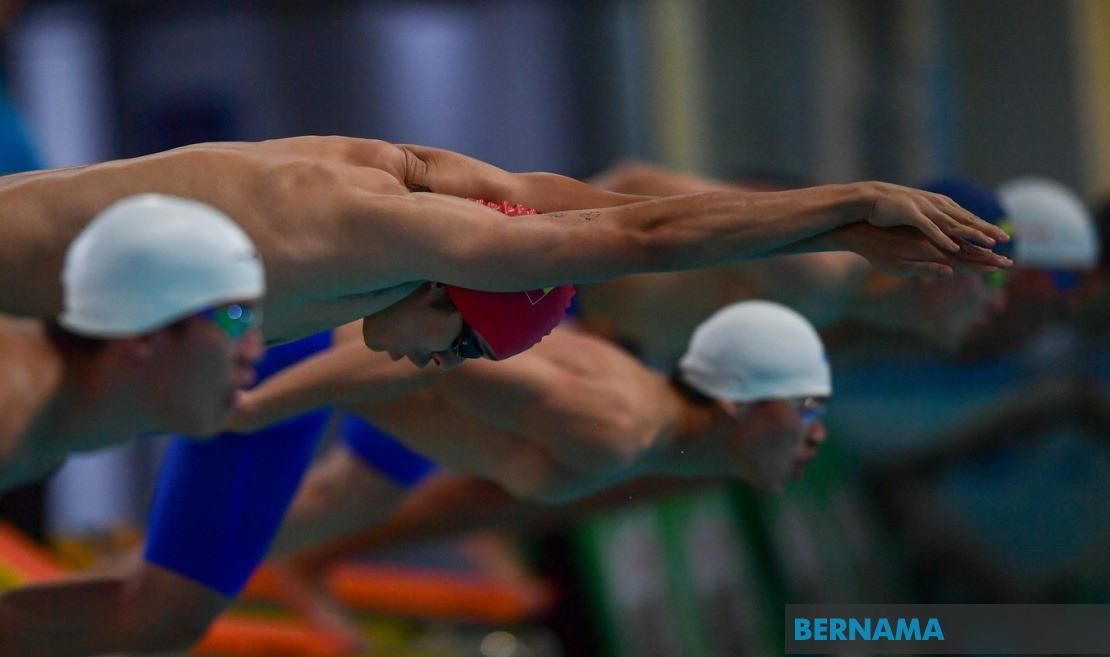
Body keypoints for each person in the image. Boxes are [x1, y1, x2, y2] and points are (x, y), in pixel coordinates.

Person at [0, 300, 831, 657]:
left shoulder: (638, 428)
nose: (817, 432)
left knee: (200, 583)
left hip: (285, 350)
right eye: (805, 406)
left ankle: (96, 629)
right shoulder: (612, 425)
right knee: (167, 614)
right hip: (286, 355)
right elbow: (405, 354)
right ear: (740, 405)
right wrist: (253, 403)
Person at [0, 136, 1011, 350]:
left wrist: (852, 221)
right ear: (458, 291)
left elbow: (589, 215)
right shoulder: (383, 230)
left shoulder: (425, 189)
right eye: (461, 348)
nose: (424, 362)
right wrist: (855, 201)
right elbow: (644, 228)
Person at [579, 165, 1011, 360]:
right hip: (554, 274)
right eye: (991, 281)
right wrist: (545, 240)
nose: (997, 306)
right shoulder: (821, 272)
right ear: (939, 261)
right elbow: (640, 184)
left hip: (563, 296)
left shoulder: (838, 301)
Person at [0, 193, 265, 492]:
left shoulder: (56, 423)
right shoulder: (13, 407)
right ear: (145, 333)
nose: (255, 352)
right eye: (235, 317)